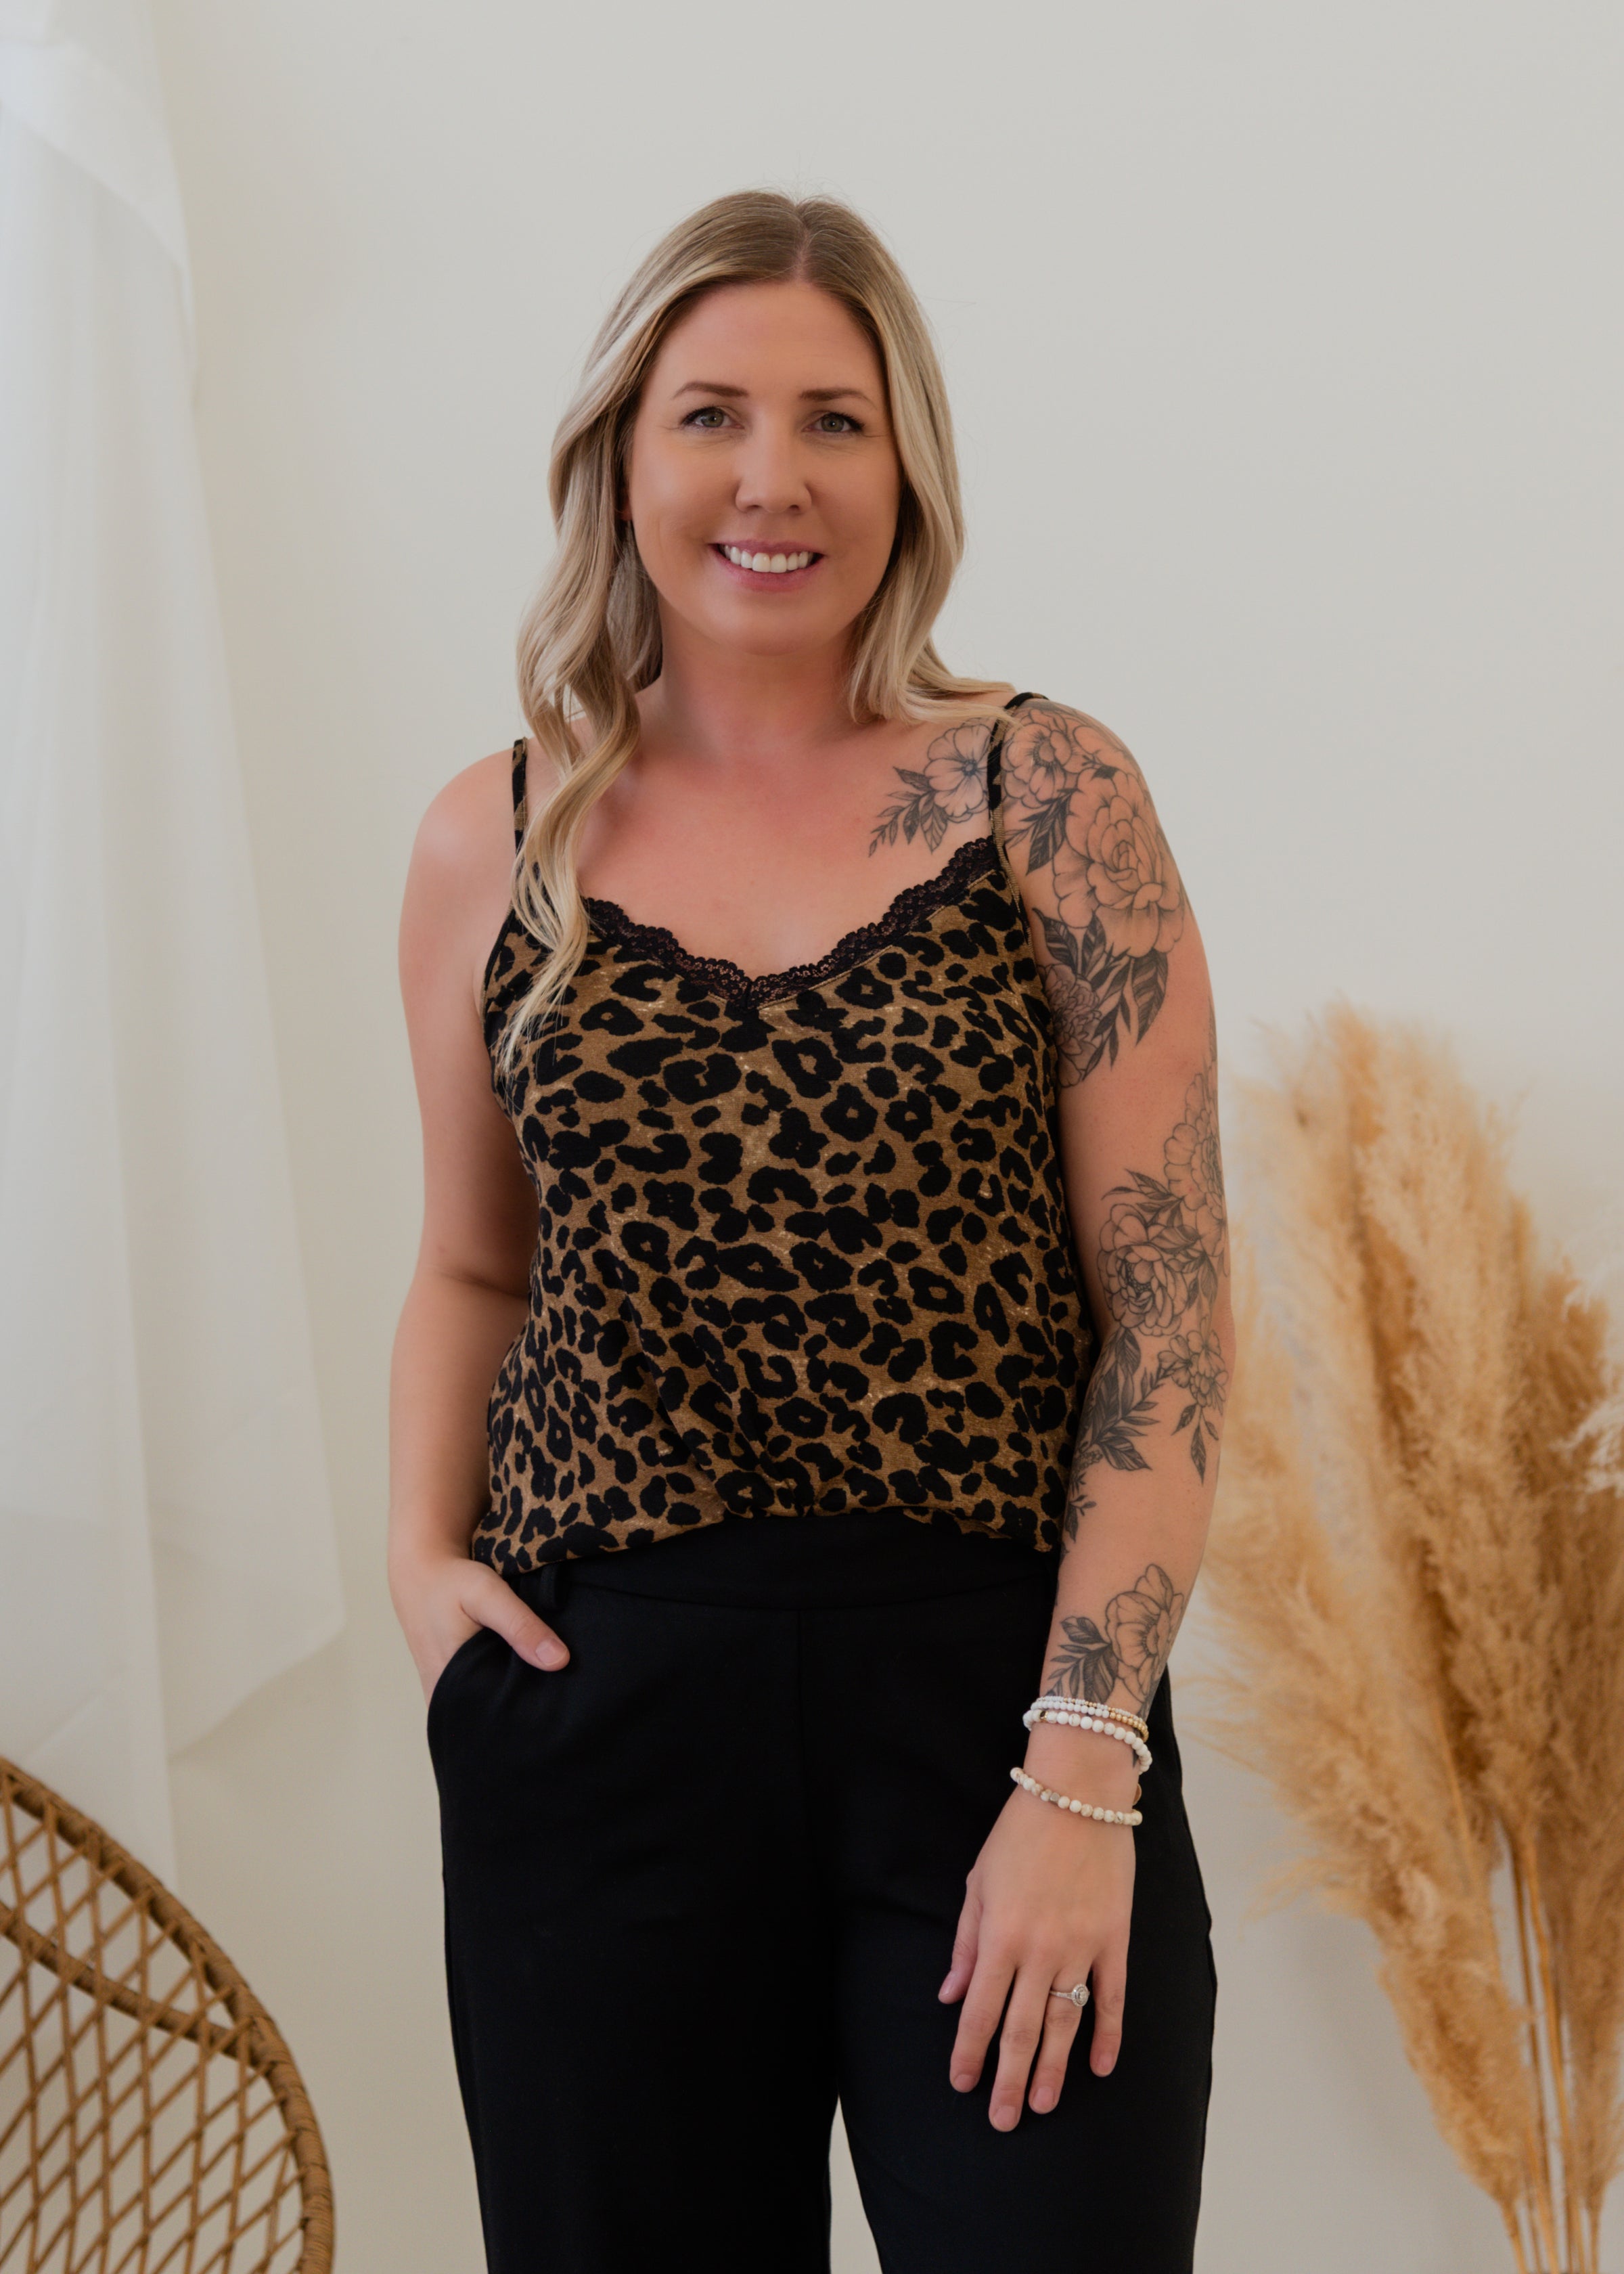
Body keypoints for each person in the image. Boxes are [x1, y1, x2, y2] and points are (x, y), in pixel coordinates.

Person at [388, 187, 1228, 2274]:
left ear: (907, 466)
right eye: (713, 416)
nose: (773, 478)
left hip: (998, 1707)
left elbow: (1170, 1313)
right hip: (603, 1723)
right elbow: (476, 1266)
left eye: (834, 421)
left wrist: (1086, 1760)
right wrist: (419, 1571)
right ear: (623, 460)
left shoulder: (1048, 800)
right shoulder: (500, 836)